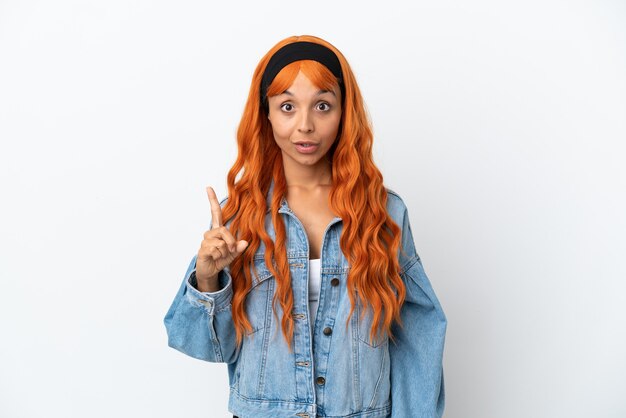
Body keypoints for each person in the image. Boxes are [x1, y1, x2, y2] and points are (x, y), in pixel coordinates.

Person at [164, 35, 447, 418]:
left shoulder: (383, 212)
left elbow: (417, 333)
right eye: (287, 107)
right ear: (265, 114)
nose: (305, 125)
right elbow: (206, 345)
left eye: (323, 105)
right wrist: (209, 278)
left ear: (344, 113)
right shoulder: (240, 215)